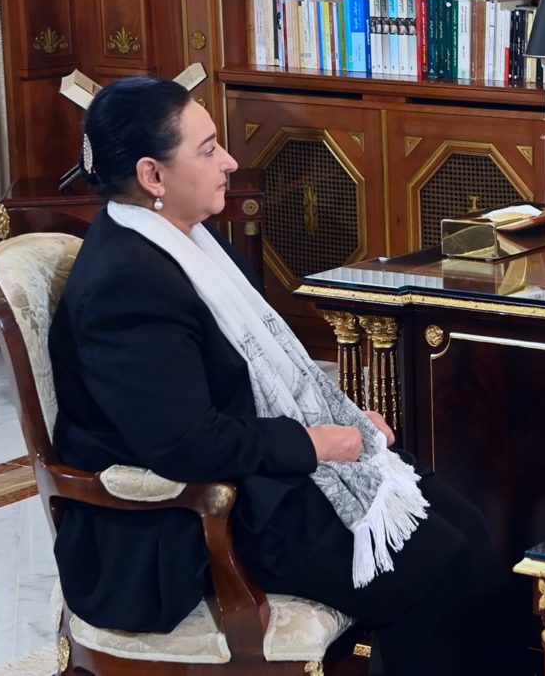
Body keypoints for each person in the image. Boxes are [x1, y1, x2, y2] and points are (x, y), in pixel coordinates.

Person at [48, 76, 508, 675]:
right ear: (152, 176)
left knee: (471, 529)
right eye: (208, 150)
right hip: (193, 519)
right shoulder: (125, 286)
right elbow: (186, 444)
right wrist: (318, 443)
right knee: (438, 570)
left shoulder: (188, 240)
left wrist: (341, 421)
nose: (229, 162)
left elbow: (264, 374)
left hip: (257, 474)